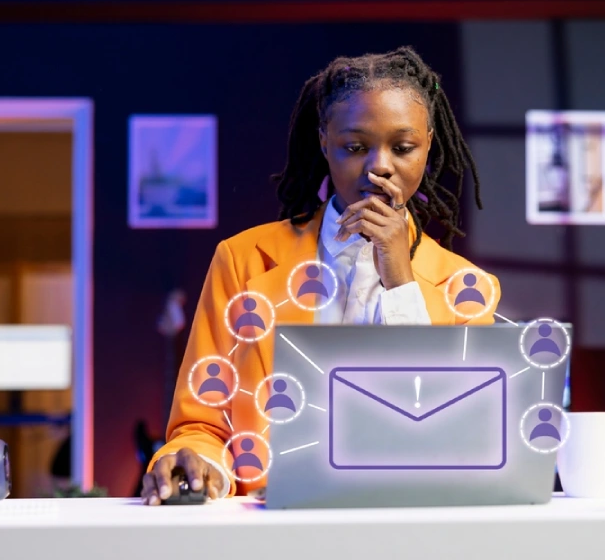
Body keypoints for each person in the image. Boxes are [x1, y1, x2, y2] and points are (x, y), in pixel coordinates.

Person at [141, 46, 502, 505]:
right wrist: (195, 464)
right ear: (324, 142)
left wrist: (400, 279)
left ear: (428, 145)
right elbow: (202, 425)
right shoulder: (242, 260)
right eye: (355, 147)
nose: (380, 166)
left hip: (410, 524)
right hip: (274, 526)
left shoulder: (466, 288)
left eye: (403, 147)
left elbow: (464, 437)